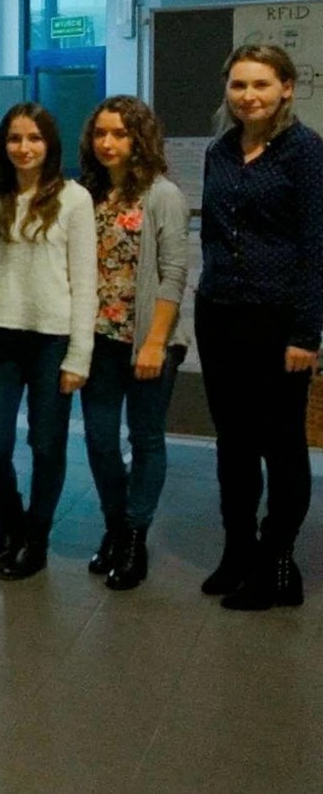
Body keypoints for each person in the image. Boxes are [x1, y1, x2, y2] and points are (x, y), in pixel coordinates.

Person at [198, 44, 323, 611]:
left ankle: (277, 562)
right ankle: (238, 551)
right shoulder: (221, 151)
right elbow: (213, 234)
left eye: (261, 84)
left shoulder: (305, 151)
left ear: (287, 88)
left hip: (278, 321)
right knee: (234, 443)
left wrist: (306, 333)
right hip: (220, 313)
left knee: (282, 443)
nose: (248, 96)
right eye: (239, 85)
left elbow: (316, 248)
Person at [0, 104, 97, 581]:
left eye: (34, 138)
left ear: (50, 144)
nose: (23, 148)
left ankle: (37, 538)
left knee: (46, 446)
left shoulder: (74, 198)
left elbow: (84, 282)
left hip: (52, 341)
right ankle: (11, 521)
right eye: (14, 138)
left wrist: (79, 356)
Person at [77, 96, 191, 591]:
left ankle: (134, 538)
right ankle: (115, 525)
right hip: (98, 339)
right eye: (101, 133)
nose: (108, 143)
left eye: (120, 133)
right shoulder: (88, 194)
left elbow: (174, 273)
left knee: (145, 439)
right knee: (99, 439)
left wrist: (154, 342)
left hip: (149, 338)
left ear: (139, 138)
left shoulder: (162, 195)